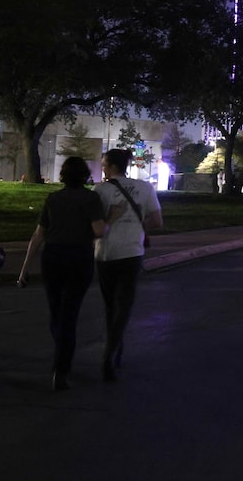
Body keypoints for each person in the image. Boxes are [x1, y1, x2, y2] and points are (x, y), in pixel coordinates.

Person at [17, 157, 105, 391]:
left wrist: (24, 268)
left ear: (63, 175)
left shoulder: (53, 199)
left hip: (52, 257)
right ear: (85, 175)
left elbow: (38, 236)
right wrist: (113, 217)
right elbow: (98, 230)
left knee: (56, 310)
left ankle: (61, 354)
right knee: (70, 311)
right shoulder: (91, 198)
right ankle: (61, 367)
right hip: (79, 258)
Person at [96, 148, 162, 382]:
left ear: (112, 166)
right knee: (124, 305)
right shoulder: (145, 188)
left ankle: (113, 348)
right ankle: (112, 351)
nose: (102, 168)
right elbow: (157, 220)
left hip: (105, 254)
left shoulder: (100, 190)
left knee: (110, 305)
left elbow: (96, 224)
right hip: (132, 253)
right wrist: (138, 226)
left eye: (104, 164)